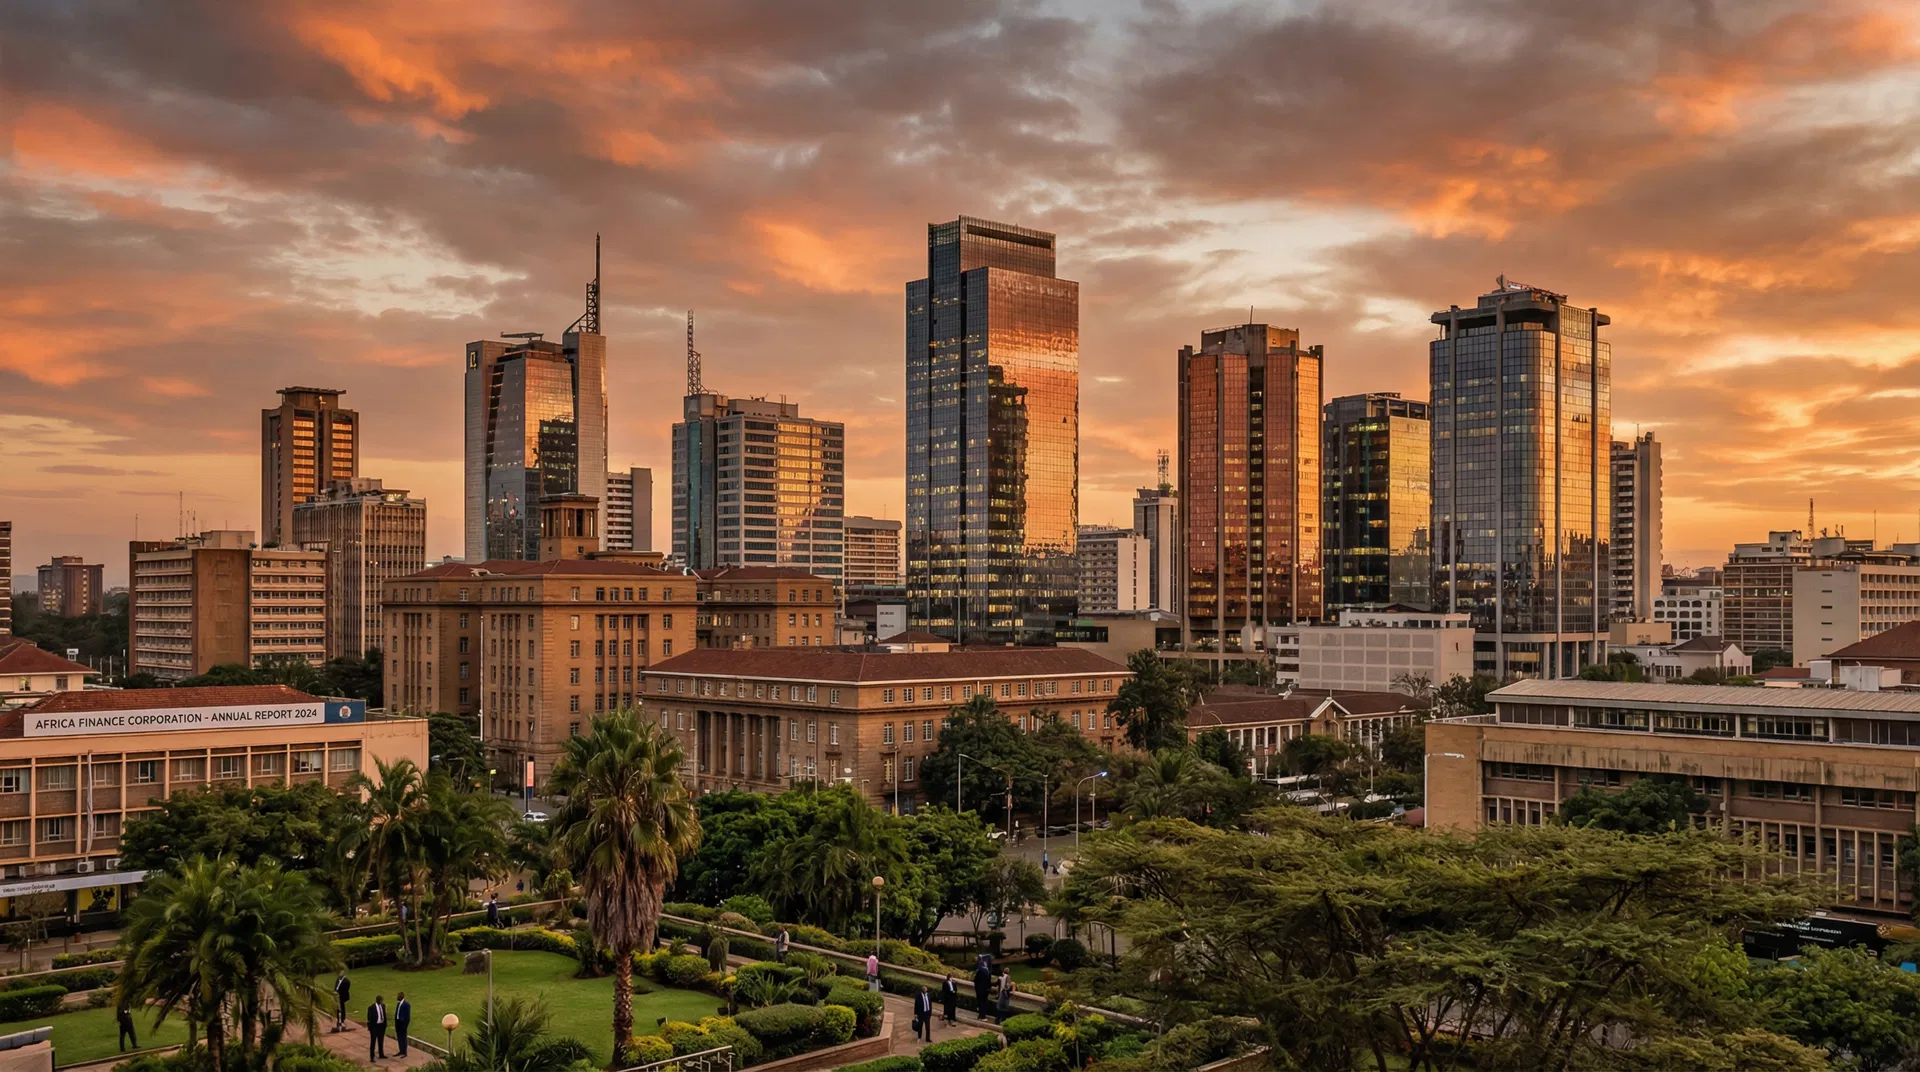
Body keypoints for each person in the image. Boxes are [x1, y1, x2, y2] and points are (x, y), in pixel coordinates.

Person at [367, 995, 388, 1061]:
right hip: (374, 1027)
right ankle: (372, 1057)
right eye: (380, 1000)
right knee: (373, 1042)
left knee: (381, 1041)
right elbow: (369, 1018)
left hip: (381, 1026)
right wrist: (370, 1027)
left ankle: (381, 1054)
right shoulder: (371, 1008)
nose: (381, 1002)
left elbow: (384, 1015)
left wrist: (385, 1024)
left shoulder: (383, 1006)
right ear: (377, 1000)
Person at [971, 955, 992, 1020]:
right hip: (985, 990)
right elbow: (989, 982)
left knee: (980, 1003)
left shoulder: (979, 970)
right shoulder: (987, 971)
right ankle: (983, 1016)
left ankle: (980, 1016)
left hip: (979, 990)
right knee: (984, 1003)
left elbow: (975, 980)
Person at [394, 991, 411, 1058]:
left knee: (403, 1038)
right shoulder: (398, 1004)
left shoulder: (406, 1005)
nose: (397, 997)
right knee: (399, 1038)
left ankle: (404, 1052)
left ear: (401, 997)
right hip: (398, 1023)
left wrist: (405, 1025)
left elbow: (408, 1017)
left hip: (403, 1024)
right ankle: (401, 1050)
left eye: (398, 996)